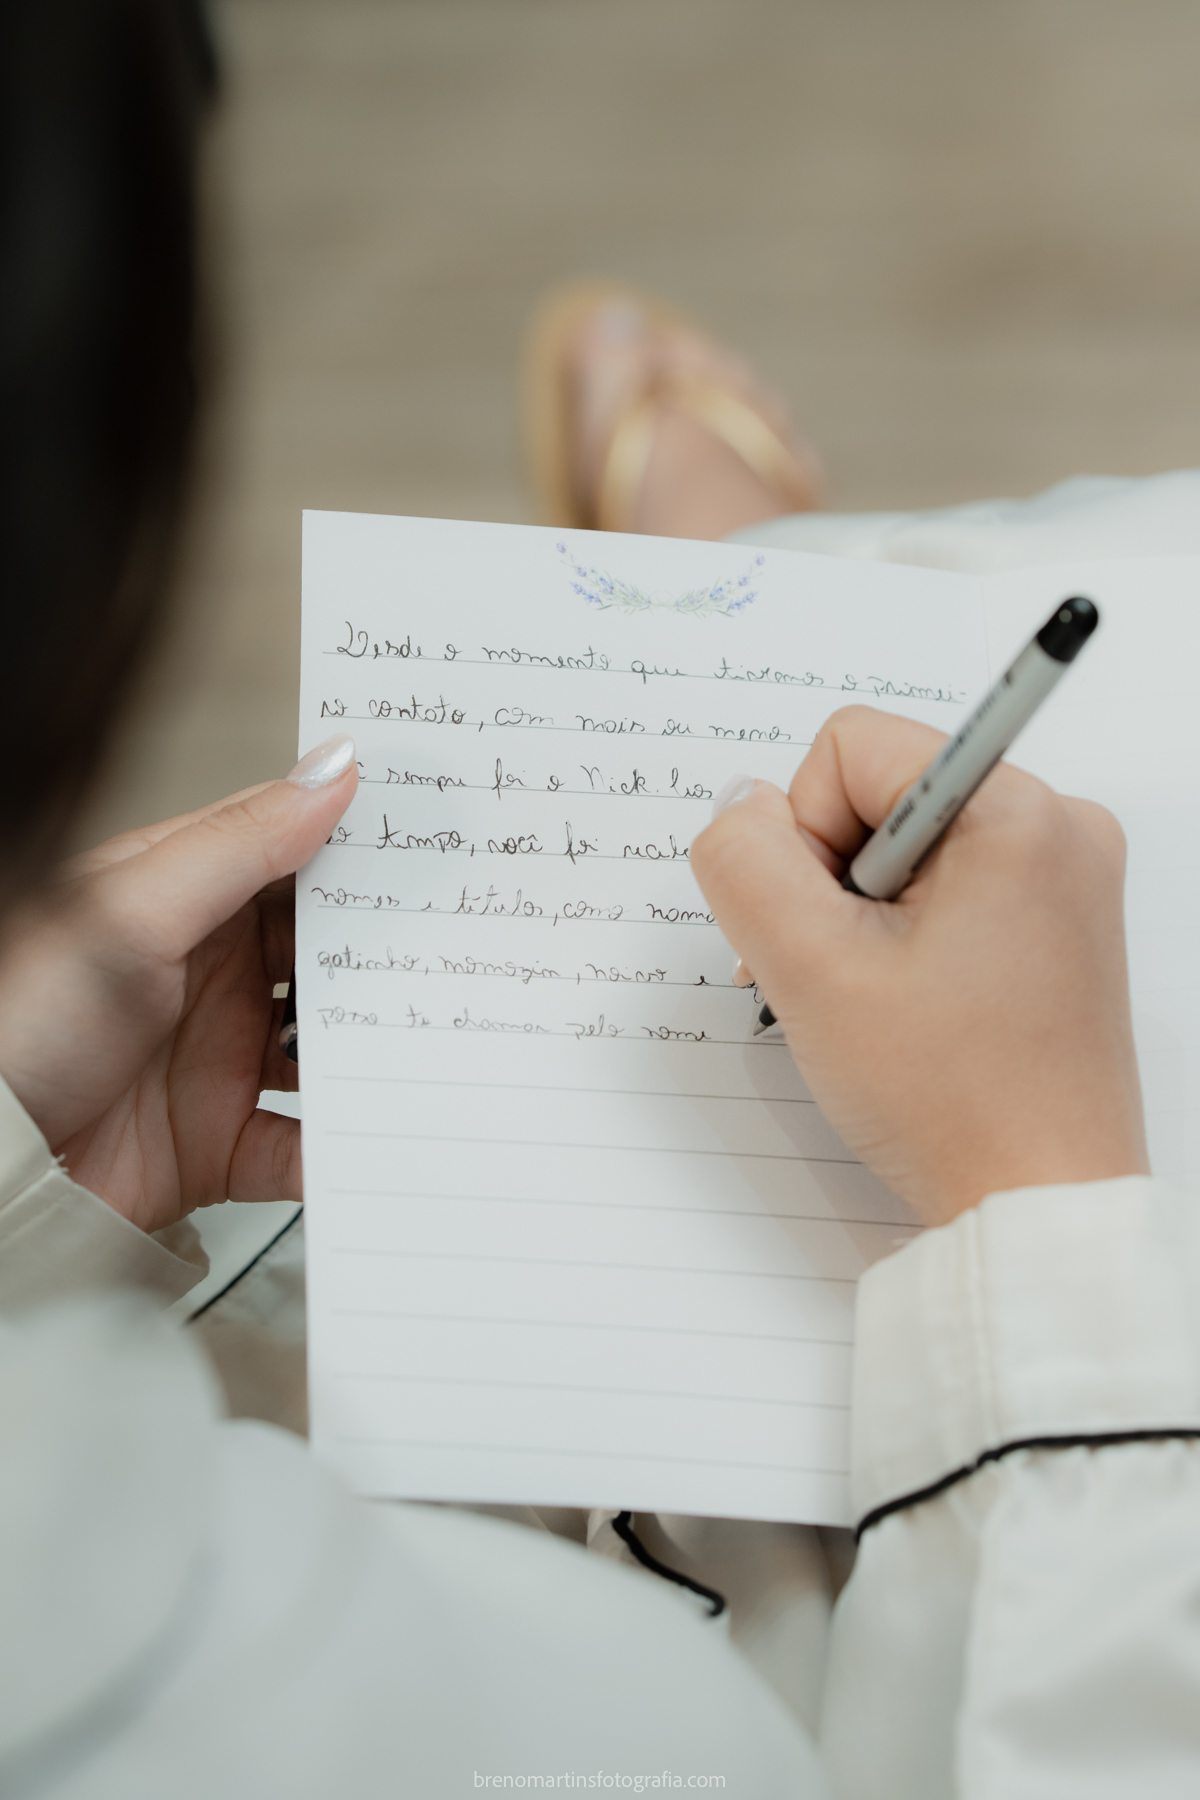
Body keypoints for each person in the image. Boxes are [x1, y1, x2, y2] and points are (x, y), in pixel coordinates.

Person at [3, 11, 1199, 1796]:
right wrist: (1043, 1210)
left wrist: (25, 1199)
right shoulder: (573, 1723)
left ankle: (747, 572)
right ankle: (763, 573)